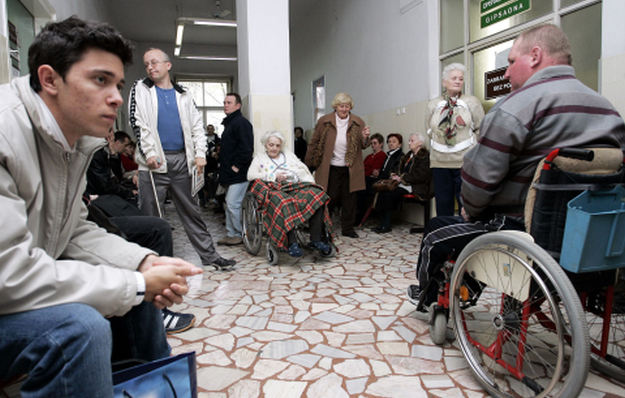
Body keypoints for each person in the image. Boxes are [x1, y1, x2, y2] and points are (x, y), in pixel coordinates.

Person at [0, 17, 203, 397]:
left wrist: (141, 264)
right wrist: (137, 284)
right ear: (49, 79)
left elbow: (73, 230)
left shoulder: (70, 140)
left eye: (119, 84)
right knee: (79, 327)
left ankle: (151, 387)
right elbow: (8, 274)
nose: (116, 97)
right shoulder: (5, 132)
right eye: (100, 80)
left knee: (134, 284)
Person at [407, 24, 625, 308]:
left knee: (438, 229)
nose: (507, 72)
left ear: (535, 56)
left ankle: (432, 297)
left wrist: (471, 211)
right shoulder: (606, 109)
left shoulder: (517, 106)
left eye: (510, 62)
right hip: (588, 238)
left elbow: (480, 181)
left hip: (523, 230)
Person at [129, 48, 235, 270]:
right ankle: (152, 263)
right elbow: (138, 123)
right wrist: (149, 154)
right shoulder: (140, 89)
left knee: (192, 212)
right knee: (150, 216)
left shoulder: (184, 94)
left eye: (155, 62)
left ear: (168, 65)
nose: (150, 67)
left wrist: (199, 153)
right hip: (154, 163)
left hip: (181, 161)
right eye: (147, 63)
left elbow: (196, 125)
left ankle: (210, 256)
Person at [247, 131, 332, 256]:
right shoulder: (259, 157)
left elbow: (304, 170)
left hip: (294, 186)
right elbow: (250, 176)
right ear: (265, 145)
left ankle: (316, 239)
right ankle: (292, 243)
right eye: (271, 145)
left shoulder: (288, 155)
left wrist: (301, 179)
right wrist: (273, 176)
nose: (274, 148)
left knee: (318, 195)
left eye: (277, 145)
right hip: (274, 188)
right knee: (284, 201)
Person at [306, 92, 371, 238]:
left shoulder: (357, 122)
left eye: (347, 106)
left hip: (350, 167)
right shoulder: (325, 121)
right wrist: (308, 163)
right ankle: (324, 227)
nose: (344, 109)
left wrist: (365, 137)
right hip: (331, 166)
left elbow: (363, 145)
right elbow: (314, 142)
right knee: (331, 197)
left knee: (350, 199)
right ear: (335, 106)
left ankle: (348, 229)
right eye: (341, 106)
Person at [426, 63, 485, 217]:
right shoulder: (433, 104)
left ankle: (466, 237)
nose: (458, 81)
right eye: (454, 78)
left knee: (466, 204)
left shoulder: (472, 102)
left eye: (461, 79)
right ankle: (444, 237)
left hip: (464, 162)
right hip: (439, 161)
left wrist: (473, 151)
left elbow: (481, 129)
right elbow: (429, 130)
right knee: (443, 204)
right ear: (444, 82)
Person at [373, 133, 433, 233]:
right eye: (409, 141)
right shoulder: (408, 156)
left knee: (390, 194)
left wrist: (401, 178)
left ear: (420, 143)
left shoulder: (424, 157)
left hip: (416, 186)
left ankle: (386, 225)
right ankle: (382, 223)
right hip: (404, 184)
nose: (409, 143)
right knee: (383, 192)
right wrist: (394, 175)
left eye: (412, 141)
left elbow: (420, 176)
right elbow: (400, 170)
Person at [218, 92, 255, 246]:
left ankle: (241, 234)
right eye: (225, 102)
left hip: (239, 173)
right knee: (229, 204)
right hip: (230, 172)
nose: (225, 105)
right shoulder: (231, 123)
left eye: (229, 102)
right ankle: (231, 233)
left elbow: (247, 149)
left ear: (238, 106)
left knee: (233, 203)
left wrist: (236, 166)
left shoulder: (240, 122)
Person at [86, 129, 137, 204]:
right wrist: (129, 192)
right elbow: (105, 186)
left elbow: (117, 175)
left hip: (110, 192)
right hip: (100, 197)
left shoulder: (106, 152)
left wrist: (113, 152)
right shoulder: (95, 153)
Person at [356, 132, 387, 224]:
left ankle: (359, 215)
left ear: (381, 144)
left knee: (362, 186)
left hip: (372, 180)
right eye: (372, 143)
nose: (373, 145)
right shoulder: (369, 156)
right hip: (365, 178)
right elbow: (362, 168)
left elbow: (374, 170)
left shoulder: (382, 155)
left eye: (375, 143)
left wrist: (365, 172)